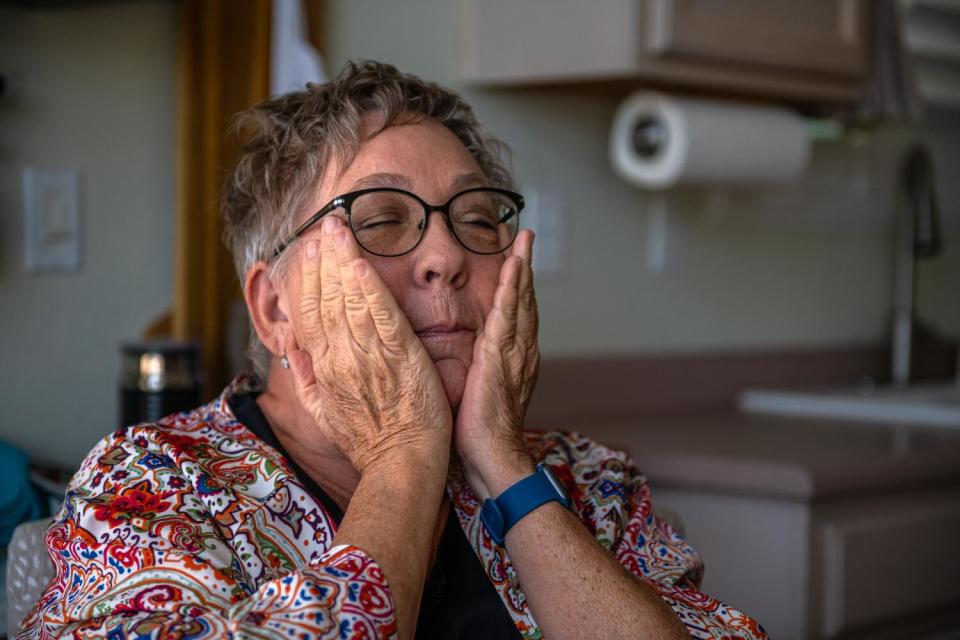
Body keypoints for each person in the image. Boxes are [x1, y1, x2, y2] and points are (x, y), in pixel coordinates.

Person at [21, 61, 765, 640]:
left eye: (477, 218)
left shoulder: (591, 482)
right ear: (275, 308)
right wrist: (406, 455)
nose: (445, 255)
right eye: (379, 220)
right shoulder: (150, 485)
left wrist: (506, 467)